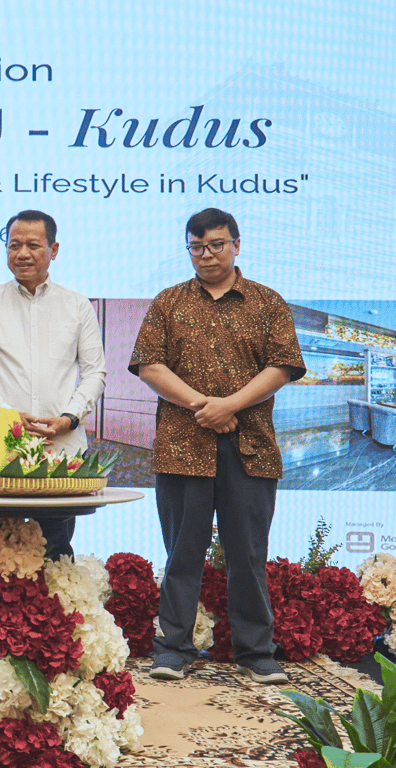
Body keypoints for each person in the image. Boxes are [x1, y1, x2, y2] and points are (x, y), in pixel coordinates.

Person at [129, 208, 304, 685]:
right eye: (196, 246)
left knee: (247, 553)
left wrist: (230, 405)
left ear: (236, 245)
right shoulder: (168, 302)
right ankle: (173, 649)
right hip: (182, 446)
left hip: (250, 447)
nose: (206, 255)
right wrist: (202, 406)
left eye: (216, 245)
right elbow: (149, 366)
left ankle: (255, 651)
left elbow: (282, 367)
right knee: (181, 553)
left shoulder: (267, 302)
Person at [0, 210, 106, 560]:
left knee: (55, 550)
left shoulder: (77, 305)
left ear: (53, 250)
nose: (22, 253)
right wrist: (6, 415)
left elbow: (95, 373)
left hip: (60, 448)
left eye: (33, 245)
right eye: (14, 245)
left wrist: (70, 418)